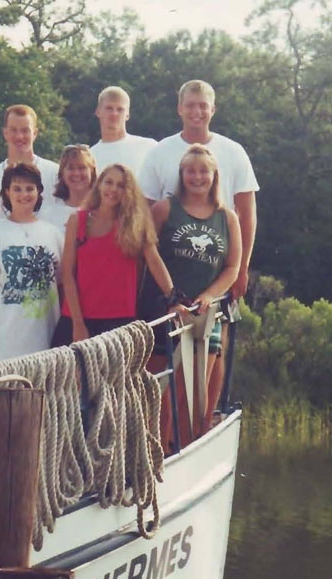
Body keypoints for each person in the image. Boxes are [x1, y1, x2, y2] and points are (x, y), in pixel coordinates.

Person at [138, 80, 257, 428]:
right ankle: (157, 447)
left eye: (203, 105)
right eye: (190, 104)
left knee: (207, 367)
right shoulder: (161, 155)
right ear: (180, 108)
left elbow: (246, 213)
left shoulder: (233, 154)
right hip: (165, 294)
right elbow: (144, 228)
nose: (196, 110)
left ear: (212, 109)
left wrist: (241, 271)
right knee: (160, 378)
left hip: (212, 293)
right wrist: (167, 293)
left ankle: (199, 434)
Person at [140, 144, 241, 449]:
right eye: (190, 171)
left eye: (203, 171)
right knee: (161, 396)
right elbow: (148, 252)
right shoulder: (165, 210)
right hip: (166, 313)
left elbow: (233, 266)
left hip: (204, 317)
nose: (197, 177)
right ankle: (155, 455)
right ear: (181, 175)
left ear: (214, 176)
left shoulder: (227, 217)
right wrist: (172, 295)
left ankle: (182, 452)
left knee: (194, 396)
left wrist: (210, 295)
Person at [53, 164, 177, 346]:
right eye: (109, 182)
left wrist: (174, 299)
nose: (113, 189)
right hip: (78, 318)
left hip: (118, 321)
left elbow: (154, 262)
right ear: (99, 185)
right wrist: (78, 324)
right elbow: (68, 275)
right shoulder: (77, 220)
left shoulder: (135, 224)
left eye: (121, 185)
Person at [0, 162, 63, 362]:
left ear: (39, 192)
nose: (23, 194)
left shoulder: (53, 233)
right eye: (17, 189)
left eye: (30, 188)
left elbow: (63, 283)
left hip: (45, 338)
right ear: (6, 193)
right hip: (2, 340)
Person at [0, 104, 59, 220]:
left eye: (25, 130)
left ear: (35, 133)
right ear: (5, 133)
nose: (20, 136)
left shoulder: (55, 174)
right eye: (13, 130)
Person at [90, 86, 157, 175]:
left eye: (120, 109)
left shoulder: (149, 147)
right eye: (109, 108)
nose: (114, 114)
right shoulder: (90, 157)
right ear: (98, 111)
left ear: (127, 115)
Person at [39, 144, 97, 236]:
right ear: (62, 173)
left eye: (82, 168)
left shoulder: (103, 210)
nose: (76, 173)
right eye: (70, 168)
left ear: (92, 171)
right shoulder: (48, 215)